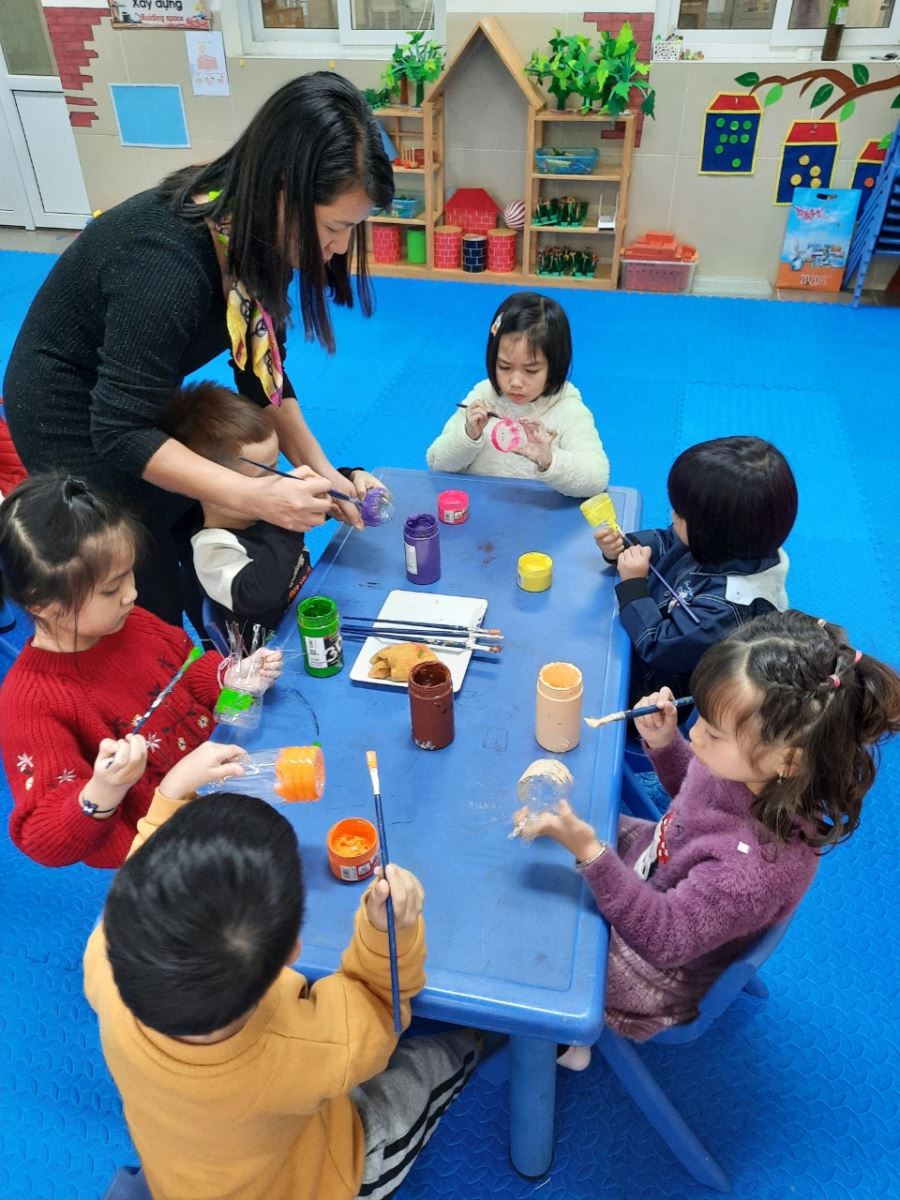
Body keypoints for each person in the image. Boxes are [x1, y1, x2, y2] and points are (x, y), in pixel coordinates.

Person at [2, 72, 394, 627]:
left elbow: (264, 378)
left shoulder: (253, 231)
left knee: (195, 532)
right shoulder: (166, 263)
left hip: (135, 400)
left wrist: (327, 474)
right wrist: (255, 497)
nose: (340, 247)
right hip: (68, 413)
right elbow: (119, 428)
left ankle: (200, 649)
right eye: (336, 225)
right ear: (282, 190)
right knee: (138, 582)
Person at [84, 740, 481, 1200]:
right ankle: (476, 1045)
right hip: (310, 1179)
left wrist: (172, 793)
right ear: (293, 950)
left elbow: (145, 882)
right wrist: (389, 931)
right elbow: (379, 1008)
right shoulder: (310, 1046)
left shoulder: (104, 958)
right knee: (430, 1065)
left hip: (180, 1176)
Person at [515, 610, 900, 1057]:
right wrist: (665, 745)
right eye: (698, 715)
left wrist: (591, 855)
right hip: (660, 862)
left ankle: (563, 1044)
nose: (694, 734)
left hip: (651, 969)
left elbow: (664, 939)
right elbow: (698, 795)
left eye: (713, 734)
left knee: (539, 948)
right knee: (561, 837)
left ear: (788, 761)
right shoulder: (757, 771)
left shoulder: (749, 874)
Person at [0, 474, 282, 868]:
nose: (131, 594)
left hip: (224, 787)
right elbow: (43, 839)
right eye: (110, 590)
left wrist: (228, 678)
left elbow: (186, 674)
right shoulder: (30, 703)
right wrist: (104, 789)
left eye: (129, 574)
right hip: (165, 852)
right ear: (42, 604)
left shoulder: (133, 623)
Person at [158, 381, 380, 634]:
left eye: (276, 467)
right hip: (277, 650)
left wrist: (352, 481)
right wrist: (291, 521)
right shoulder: (213, 548)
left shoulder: (262, 506)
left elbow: (323, 497)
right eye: (263, 475)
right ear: (214, 486)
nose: (278, 482)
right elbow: (260, 595)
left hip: (312, 618)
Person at [594, 435, 797, 702]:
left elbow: (660, 646)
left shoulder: (724, 612)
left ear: (710, 532)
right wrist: (624, 546)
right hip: (654, 627)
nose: (673, 516)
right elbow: (669, 541)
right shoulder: (733, 541)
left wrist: (633, 586)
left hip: (663, 692)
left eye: (681, 514)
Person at [425, 292, 609, 498]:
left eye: (531, 370)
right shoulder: (483, 397)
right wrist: (468, 435)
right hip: (478, 510)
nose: (515, 382)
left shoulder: (568, 410)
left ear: (555, 367)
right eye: (504, 366)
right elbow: (437, 462)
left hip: (541, 515)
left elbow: (597, 478)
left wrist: (549, 461)